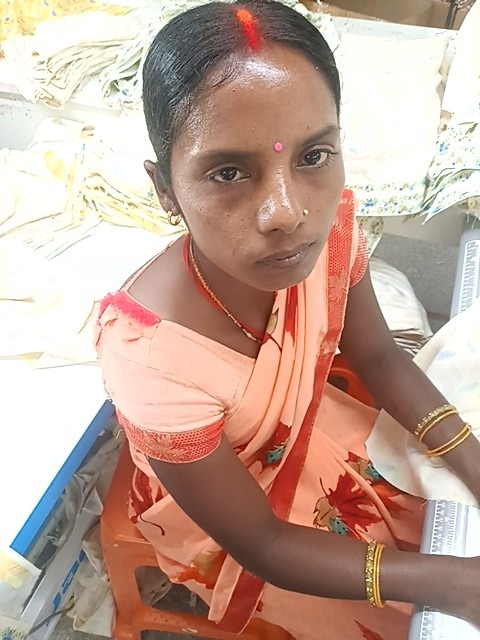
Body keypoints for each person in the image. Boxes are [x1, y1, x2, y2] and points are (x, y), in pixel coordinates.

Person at [95, 2, 480, 638]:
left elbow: (380, 358)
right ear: (165, 189)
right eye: (228, 172)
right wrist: (453, 583)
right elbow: (262, 544)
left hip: (319, 433)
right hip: (233, 527)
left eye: (313, 156)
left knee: (447, 510)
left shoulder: (325, 234)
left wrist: (471, 459)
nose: (286, 212)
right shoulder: (149, 357)